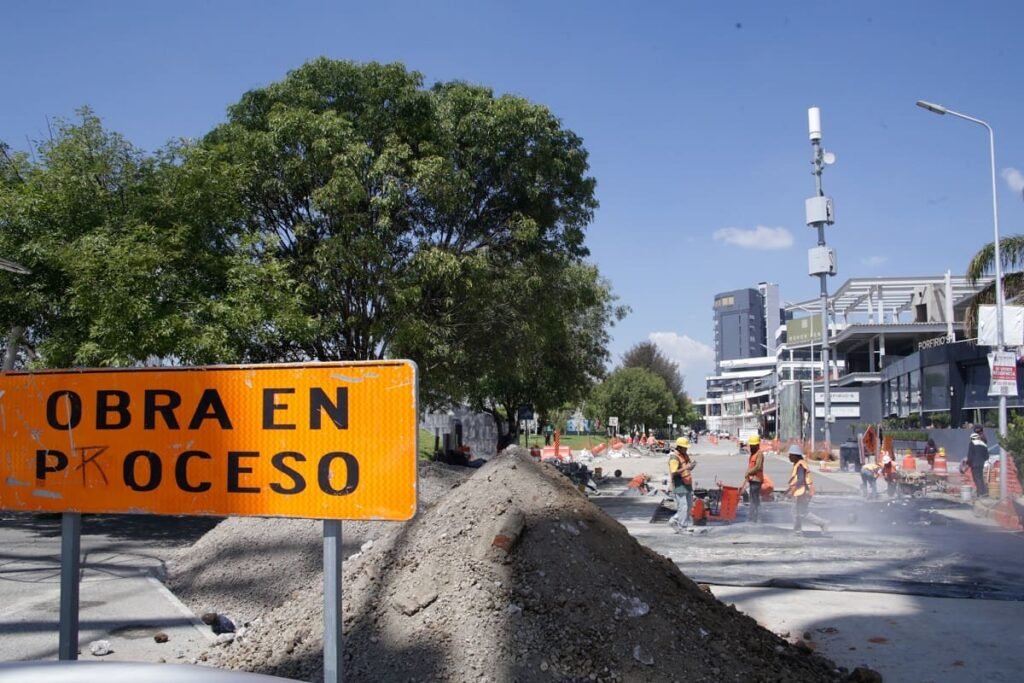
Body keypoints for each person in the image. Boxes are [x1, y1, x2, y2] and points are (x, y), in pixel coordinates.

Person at [785, 444, 828, 534]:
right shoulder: (798, 464)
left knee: (799, 511)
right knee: (800, 511)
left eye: (790, 455)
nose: (789, 457)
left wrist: (791, 490)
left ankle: (800, 529)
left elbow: (801, 480)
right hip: (803, 491)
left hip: (804, 492)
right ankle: (799, 529)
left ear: (795, 456)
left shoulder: (800, 466)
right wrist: (789, 489)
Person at [668, 437, 697, 532]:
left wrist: (691, 466)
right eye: (685, 447)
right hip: (679, 483)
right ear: (679, 447)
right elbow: (674, 472)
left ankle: (674, 520)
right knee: (683, 506)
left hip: (687, 483)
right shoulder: (674, 457)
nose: (686, 449)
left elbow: (688, 468)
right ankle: (682, 527)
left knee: (689, 505)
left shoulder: (684, 455)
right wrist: (687, 467)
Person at [744, 434, 765, 523]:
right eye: (751, 445)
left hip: (757, 480)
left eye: (753, 445)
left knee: (754, 499)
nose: (751, 447)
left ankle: (754, 518)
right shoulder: (753, 453)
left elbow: (758, 467)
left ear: (757, 445)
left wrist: (749, 472)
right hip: (752, 479)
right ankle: (753, 516)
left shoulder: (759, 454)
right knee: (752, 499)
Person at [966, 431, 990, 497]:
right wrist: (981, 460)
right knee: (981, 478)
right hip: (981, 464)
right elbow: (987, 456)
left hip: (974, 464)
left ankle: (980, 494)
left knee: (976, 479)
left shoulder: (972, 443)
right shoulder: (984, 444)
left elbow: (970, 455)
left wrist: (968, 463)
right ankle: (984, 492)